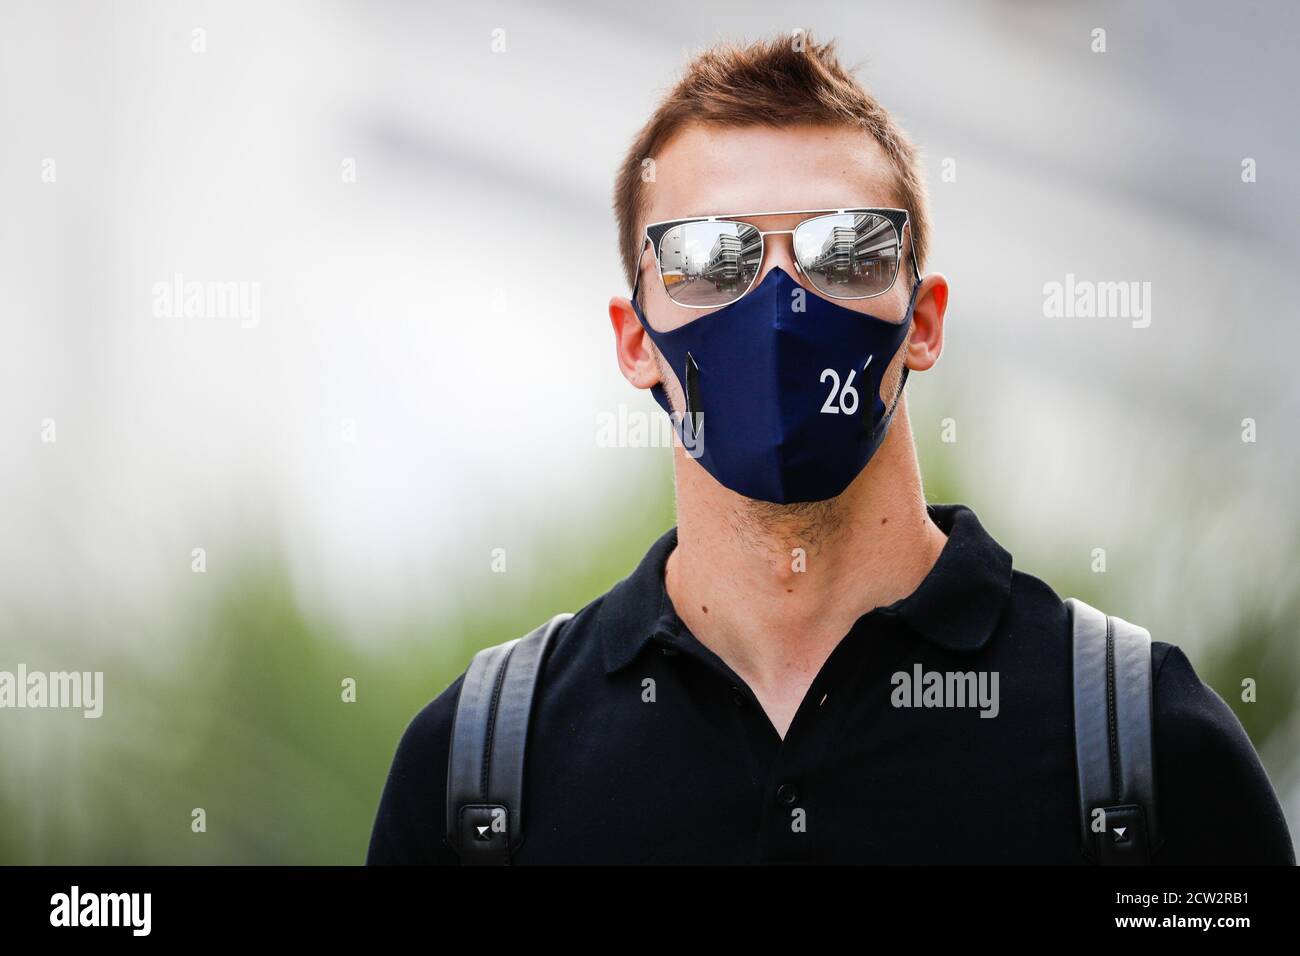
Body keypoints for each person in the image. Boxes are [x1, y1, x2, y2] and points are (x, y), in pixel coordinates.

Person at [366, 32, 1294, 865]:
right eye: (708, 256)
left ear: (923, 322)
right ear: (635, 339)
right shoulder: (482, 771)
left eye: (845, 250)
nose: (781, 303)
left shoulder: (1141, 747)